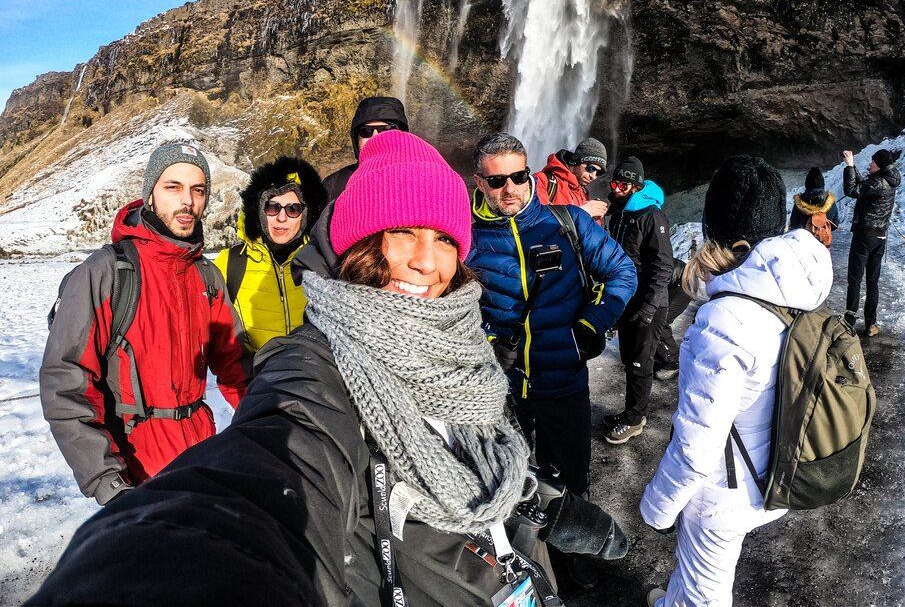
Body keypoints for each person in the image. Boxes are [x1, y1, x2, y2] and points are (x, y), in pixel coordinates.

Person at [29, 130, 628, 607]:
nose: (427, 261)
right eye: (401, 232)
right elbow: (277, 467)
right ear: (358, 248)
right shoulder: (318, 368)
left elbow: (467, 449)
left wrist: (540, 504)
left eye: (445, 239)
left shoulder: (466, 350)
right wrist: (148, 542)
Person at [641, 155, 833, 607]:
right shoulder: (795, 286)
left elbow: (696, 447)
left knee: (708, 592)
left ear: (714, 230)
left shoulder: (723, 320)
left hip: (726, 491)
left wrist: (657, 507)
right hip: (775, 466)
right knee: (697, 574)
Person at [468, 132, 636, 588]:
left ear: (530, 175)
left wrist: (589, 326)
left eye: (519, 176)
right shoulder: (465, 238)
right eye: (497, 180)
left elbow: (622, 271)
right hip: (500, 390)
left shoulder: (567, 225)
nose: (511, 188)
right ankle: (523, 570)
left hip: (562, 379)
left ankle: (572, 558)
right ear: (480, 183)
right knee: (507, 483)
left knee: (571, 481)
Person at [39, 143, 248, 505]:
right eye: (173, 187)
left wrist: (269, 426)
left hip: (200, 455)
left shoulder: (207, 276)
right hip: (134, 469)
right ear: (150, 193)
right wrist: (108, 482)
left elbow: (236, 366)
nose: (187, 201)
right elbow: (66, 382)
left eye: (198, 190)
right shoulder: (106, 272)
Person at [214, 156, 328, 354]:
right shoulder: (230, 264)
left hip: (316, 377)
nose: (281, 218)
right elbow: (218, 340)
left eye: (293, 209)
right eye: (272, 207)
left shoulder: (323, 260)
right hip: (258, 380)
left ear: (306, 215)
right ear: (258, 211)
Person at [604, 157, 674, 444]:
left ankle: (635, 419)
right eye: (615, 182)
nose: (617, 188)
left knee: (639, 363)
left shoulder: (650, 216)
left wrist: (649, 306)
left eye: (623, 184)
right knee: (628, 358)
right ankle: (630, 412)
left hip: (648, 302)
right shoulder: (620, 212)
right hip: (627, 299)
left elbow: (662, 266)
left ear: (636, 186)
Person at [843, 147, 902, 337]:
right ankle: (871, 323)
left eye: (873, 162)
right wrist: (853, 168)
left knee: (855, 279)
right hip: (880, 237)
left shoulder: (879, 182)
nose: (870, 164)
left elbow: (852, 190)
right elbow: (865, 186)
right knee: (872, 281)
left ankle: (849, 322)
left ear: (880, 165)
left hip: (864, 236)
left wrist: (850, 166)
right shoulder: (889, 180)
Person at [322, 95, 409, 199]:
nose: (375, 137)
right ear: (356, 139)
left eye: (386, 130)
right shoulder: (334, 185)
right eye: (366, 131)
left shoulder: (420, 179)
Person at [533, 137, 610, 219]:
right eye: (591, 168)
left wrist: (593, 220)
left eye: (599, 173)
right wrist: (581, 212)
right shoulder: (541, 180)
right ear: (577, 161)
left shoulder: (583, 192)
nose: (593, 176)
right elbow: (535, 220)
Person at [789, 167, 841, 244]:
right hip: (824, 245)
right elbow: (835, 224)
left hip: (804, 245)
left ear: (807, 184)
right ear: (822, 184)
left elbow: (794, 226)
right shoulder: (830, 202)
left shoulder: (799, 203)